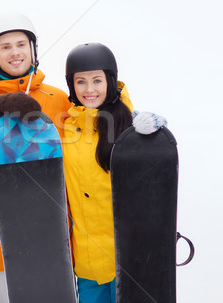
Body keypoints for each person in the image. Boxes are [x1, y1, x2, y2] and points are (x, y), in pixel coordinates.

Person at [0, 13, 72, 303]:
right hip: (2, 234)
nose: (15, 52)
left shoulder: (57, 98)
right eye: (5, 46)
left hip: (52, 232)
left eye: (21, 44)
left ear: (33, 49)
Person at [62, 42, 165, 303]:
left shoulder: (129, 126)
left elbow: (152, 183)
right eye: (81, 82)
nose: (89, 89)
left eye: (97, 80)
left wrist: (154, 137)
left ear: (110, 80)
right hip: (87, 265)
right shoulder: (66, 130)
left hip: (128, 260)